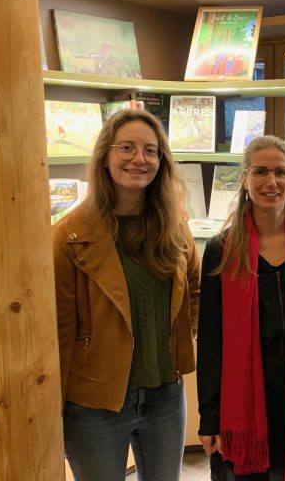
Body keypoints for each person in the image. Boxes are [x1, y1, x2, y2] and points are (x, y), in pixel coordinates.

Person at [52, 108, 200, 481]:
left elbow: (194, 292)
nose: (139, 159)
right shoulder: (70, 235)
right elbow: (59, 328)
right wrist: (53, 406)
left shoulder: (173, 227)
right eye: (127, 148)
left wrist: (179, 343)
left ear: (161, 161)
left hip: (165, 396)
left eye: (151, 151)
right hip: (94, 404)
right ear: (105, 156)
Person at [197, 135, 285, 481]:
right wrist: (209, 416)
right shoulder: (222, 249)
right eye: (260, 172)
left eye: (280, 172)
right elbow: (210, 340)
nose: (271, 182)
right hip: (244, 399)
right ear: (244, 179)